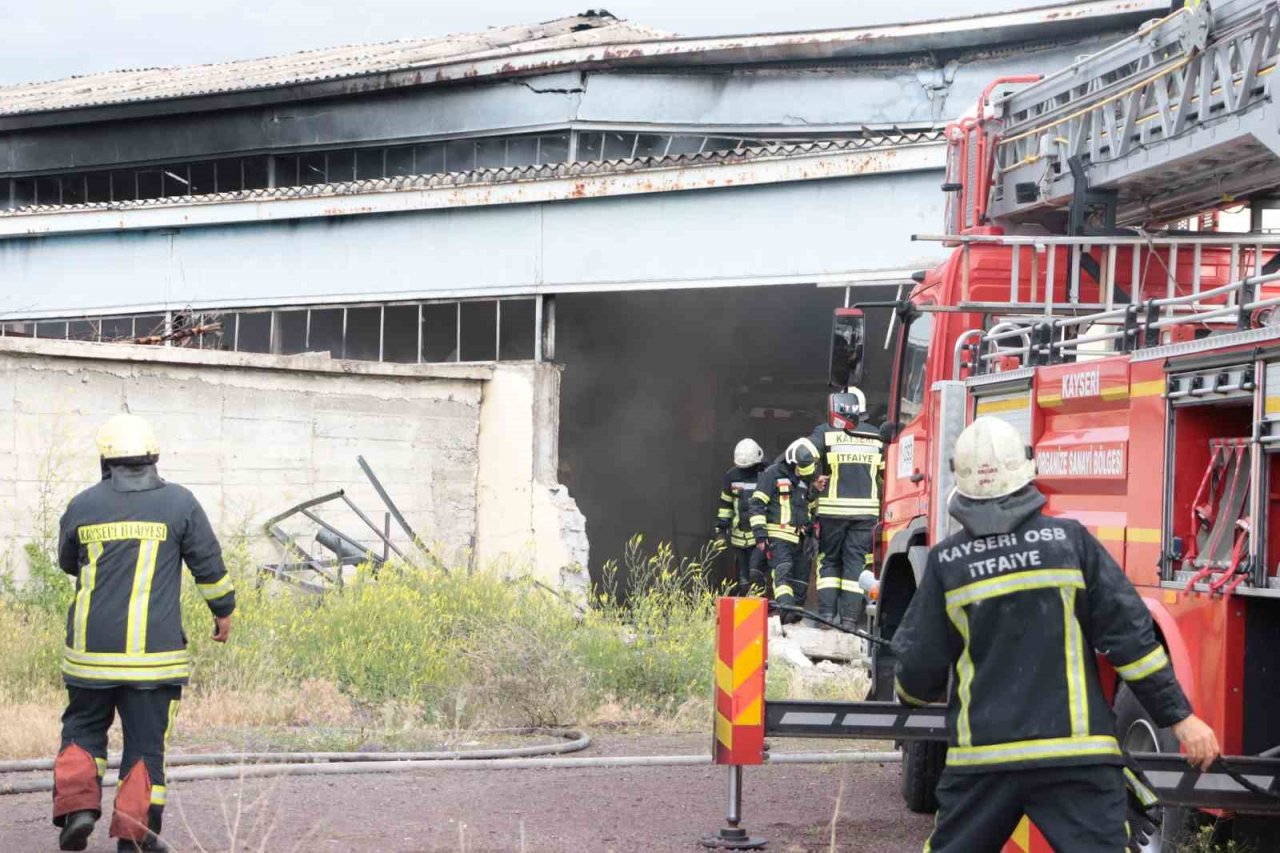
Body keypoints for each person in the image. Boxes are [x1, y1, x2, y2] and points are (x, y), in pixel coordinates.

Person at [892, 416, 1219, 853]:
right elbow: (1132, 641)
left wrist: (909, 695)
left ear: (961, 485)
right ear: (1027, 473)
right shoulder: (1071, 542)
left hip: (984, 761)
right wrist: (1181, 718)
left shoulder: (948, 561)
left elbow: (917, 671)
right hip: (1076, 760)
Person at [52, 414, 236, 853]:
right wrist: (223, 611)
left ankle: (79, 810)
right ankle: (134, 838)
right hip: (154, 661)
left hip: (89, 657)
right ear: (154, 458)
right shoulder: (180, 503)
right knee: (145, 747)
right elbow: (209, 568)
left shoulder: (82, 505)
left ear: (105, 460)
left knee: (82, 729)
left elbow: (67, 562)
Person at [802, 386, 882, 631]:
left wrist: (812, 478)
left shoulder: (826, 432)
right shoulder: (876, 436)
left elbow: (804, 455)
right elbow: (885, 473)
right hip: (866, 513)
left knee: (829, 562)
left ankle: (827, 617)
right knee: (855, 564)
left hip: (832, 512)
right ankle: (849, 621)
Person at [749, 439, 819, 621]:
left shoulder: (804, 480)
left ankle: (791, 619)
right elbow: (756, 504)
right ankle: (786, 610)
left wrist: (811, 533)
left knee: (801, 582)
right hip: (778, 538)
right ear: (793, 462)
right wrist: (760, 535)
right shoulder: (772, 474)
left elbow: (810, 508)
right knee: (783, 574)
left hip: (800, 540)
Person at [716, 438, 768, 595]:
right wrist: (721, 530)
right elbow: (726, 505)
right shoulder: (731, 476)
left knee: (756, 574)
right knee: (743, 580)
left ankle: (758, 603)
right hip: (738, 538)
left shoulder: (766, 474)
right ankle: (747, 604)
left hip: (759, 537)